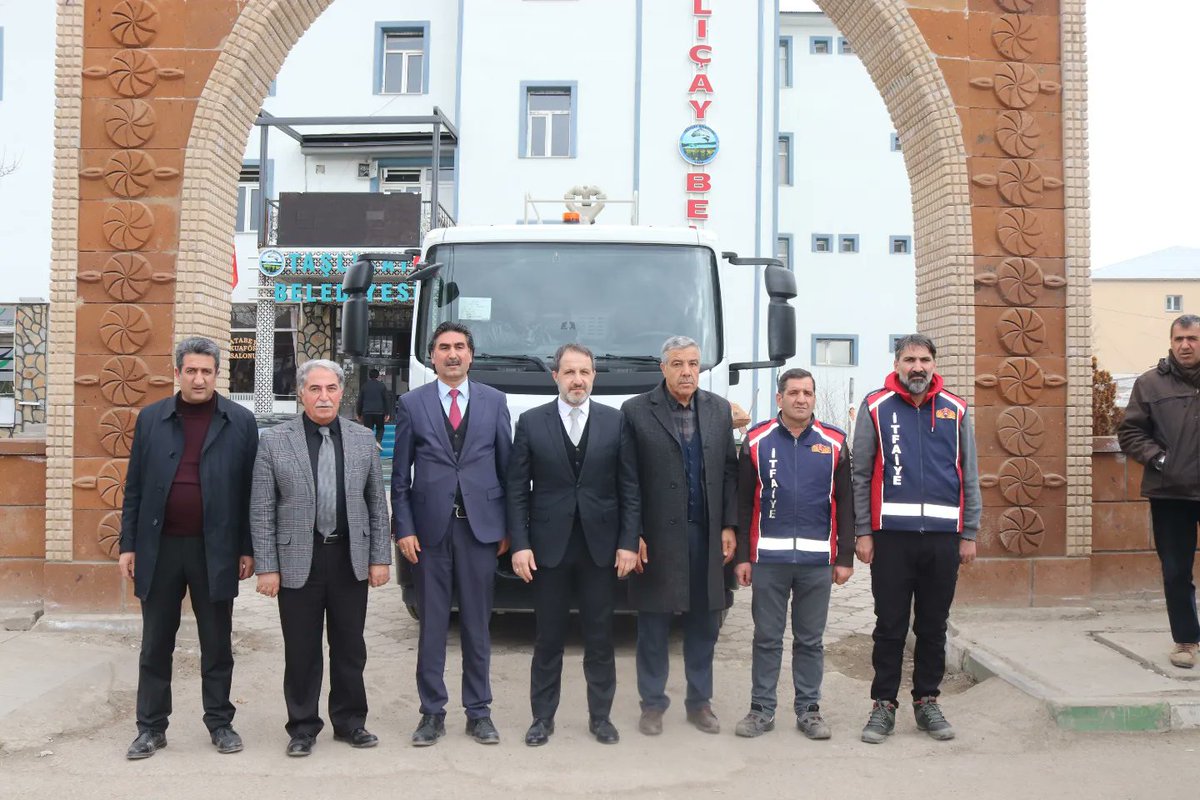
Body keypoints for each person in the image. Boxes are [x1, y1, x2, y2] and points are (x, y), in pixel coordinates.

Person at [118, 337, 258, 760]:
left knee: (217, 643)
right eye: (191, 371)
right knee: (156, 642)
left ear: (218, 375)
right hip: (159, 548)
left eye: (207, 371)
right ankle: (150, 728)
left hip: (214, 550)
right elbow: (136, 486)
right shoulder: (151, 419)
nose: (199, 379)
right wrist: (129, 544)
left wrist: (247, 548)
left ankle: (220, 722)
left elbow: (252, 491)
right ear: (176, 372)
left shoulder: (240, 421)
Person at [250, 359, 391, 757]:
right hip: (299, 559)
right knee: (302, 650)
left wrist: (380, 559)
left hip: (349, 557)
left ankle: (350, 723)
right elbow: (262, 510)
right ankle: (302, 727)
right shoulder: (275, 442)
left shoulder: (362, 439)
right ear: (301, 394)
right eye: (315, 389)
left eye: (331, 388)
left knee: (349, 647)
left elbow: (376, 505)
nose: (324, 396)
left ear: (342, 393)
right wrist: (268, 567)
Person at [507, 343, 641, 746]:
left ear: (594, 376)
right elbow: (516, 488)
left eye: (584, 372)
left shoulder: (615, 423)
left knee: (600, 637)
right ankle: (541, 719)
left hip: (601, 550)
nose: (577, 380)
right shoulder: (531, 422)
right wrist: (520, 543)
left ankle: (600, 718)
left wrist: (628, 542)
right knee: (548, 638)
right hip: (548, 549)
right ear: (556, 377)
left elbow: (629, 488)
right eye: (569, 372)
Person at [852, 334, 979, 744]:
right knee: (889, 626)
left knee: (933, 627)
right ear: (897, 363)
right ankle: (883, 706)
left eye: (925, 359)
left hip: (943, 540)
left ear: (934, 364)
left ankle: (927, 702)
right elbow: (860, 474)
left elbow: (969, 473)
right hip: (890, 540)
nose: (918, 367)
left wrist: (969, 532)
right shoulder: (875, 407)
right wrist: (863, 531)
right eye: (910, 359)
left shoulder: (955, 409)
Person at [392, 321, 513, 746]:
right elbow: (399, 476)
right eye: (444, 347)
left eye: (459, 347)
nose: (452, 354)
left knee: (479, 625)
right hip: (429, 534)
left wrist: (509, 528)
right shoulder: (412, 403)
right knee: (433, 626)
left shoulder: (495, 402)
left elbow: (507, 469)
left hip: (480, 530)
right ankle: (431, 713)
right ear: (433, 357)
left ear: (471, 355)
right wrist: (402, 528)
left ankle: (479, 711)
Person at [620, 335, 739, 736]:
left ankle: (699, 703)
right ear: (663, 368)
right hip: (655, 539)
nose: (687, 371)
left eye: (693, 364)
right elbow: (628, 480)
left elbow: (728, 472)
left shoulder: (718, 410)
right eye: (678, 364)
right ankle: (652, 705)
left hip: (705, 536)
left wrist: (728, 525)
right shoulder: (636, 411)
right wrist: (632, 533)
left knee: (704, 624)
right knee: (653, 625)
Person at [733, 368, 854, 740]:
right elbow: (741, 504)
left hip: (818, 563)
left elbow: (846, 502)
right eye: (794, 392)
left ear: (814, 398)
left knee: (810, 640)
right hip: (768, 561)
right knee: (767, 637)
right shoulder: (756, 440)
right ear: (779, 398)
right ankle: (761, 709)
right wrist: (742, 556)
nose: (801, 399)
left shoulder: (834, 442)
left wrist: (845, 556)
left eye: (808, 392)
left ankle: (809, 710)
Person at [1118, 314, 1200, 669]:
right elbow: (1131, 432)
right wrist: (1161, 460)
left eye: (1193, 339)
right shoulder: (1150, 384)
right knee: (1176, 570)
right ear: (1171, 342)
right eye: (1180, 338)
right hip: (1171, 493)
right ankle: (1186, 642)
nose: (1186, 345)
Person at [355, 368, 392, 446]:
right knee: (380, 429)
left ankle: (369, 445)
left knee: (368, 430)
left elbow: (360, 401)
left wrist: (358, 413)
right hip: (379, 412)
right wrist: (387, 413)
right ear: (378, 376)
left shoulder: (364, 386)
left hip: (367, 412)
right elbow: (386, 400)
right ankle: (377, 442)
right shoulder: (382, 386)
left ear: (369, 376)